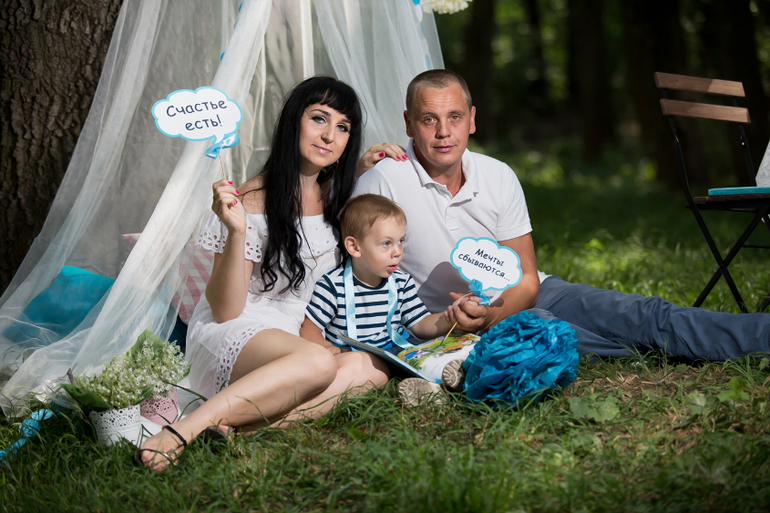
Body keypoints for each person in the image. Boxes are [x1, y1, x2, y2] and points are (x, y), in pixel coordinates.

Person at [353, 69, 770, 372]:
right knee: (548, 331)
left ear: (472, 119)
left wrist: (494, 314)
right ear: (409, 123)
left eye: (455, 117)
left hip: (529, 295)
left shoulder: (497, 174)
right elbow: (358, 273)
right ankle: (656, 352)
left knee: (643, 313)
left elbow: (527, 280)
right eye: (429, 119)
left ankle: (760, 336)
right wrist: (467, 321)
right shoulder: (383, 180)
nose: (444, 132)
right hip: (446, 322)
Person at [135, 77, 404, 471]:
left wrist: (365, 165)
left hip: (294, 339)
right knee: (319, 363)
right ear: (294, 121)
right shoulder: (250, 200)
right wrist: (236, 231)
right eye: (319, 119)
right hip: (236, 331)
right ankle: (182, 431)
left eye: (343, 127)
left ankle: (239, 431)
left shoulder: (335, 200)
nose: (329, 135)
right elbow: (225, 310)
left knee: (373, 369)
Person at [301, 194, 469, 355]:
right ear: (354, 247)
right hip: (353, 356)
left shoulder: (401, 282)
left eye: (400, 241)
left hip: (398, 350)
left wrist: (452, 317)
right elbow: (310, 327)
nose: (397, 252)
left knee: (450, 352)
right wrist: (325, 347)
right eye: (386, 243)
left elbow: (420, 325)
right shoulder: (332, 286)